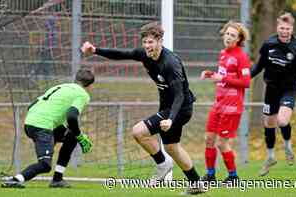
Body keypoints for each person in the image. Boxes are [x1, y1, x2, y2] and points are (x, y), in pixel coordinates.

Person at [82, 22, 206, 194]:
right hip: (168, 108)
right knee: (172, 147)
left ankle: (162, 164)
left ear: (160, 41)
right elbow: (121, 54)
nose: (147, 46)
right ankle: (196, 183)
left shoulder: (170, 64)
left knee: (139, 131)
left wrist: (170, 118)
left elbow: (179, 95)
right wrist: (96, 50)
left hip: (180, 108)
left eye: (151, 42)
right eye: (145, 42)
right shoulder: (144, 55)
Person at [1, 69, 95, 188]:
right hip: (42, 127)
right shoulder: (82, 94)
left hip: (30, 122)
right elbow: (71, 117)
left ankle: (57, 179)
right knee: (45, 165)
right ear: (90, 86)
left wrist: (74, 135)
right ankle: (15, 180)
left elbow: (32, 105)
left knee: (71, 136)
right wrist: (80, 136)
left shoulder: (61, 86)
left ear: (75, 79)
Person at [251, 12, 296, 176]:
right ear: (277, 27)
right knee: (269, 123)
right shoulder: (269, 43)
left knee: (282, 120)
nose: (284, 31)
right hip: (271, 88)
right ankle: (270, 157)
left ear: (292, 29)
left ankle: (287, 146)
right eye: (281, 28)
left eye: (287, 28)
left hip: (289, 89)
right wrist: (246, 77)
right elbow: (259, 66)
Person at [200, 21, 251, 183]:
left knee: (222, 143)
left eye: (233, 35)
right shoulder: (223, 53)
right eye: (227, 34)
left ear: (239, 39)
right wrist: (210, 74)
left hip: (232, 106)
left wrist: (222, 78)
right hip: (219, 103)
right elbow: (223, 77)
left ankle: (233, 177)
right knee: (208, 139)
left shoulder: (241, 56)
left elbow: (246, 82)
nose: (228, 37)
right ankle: (210, 175)